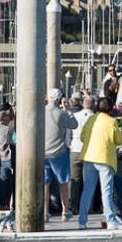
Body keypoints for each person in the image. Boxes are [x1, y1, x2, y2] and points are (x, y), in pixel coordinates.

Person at [77, 97, 122, 230]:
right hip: (105, 159)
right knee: (106, 192)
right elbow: (120, 139)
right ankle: (111, 221)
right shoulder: (111, 122)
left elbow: (82, 137)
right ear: (110, 108)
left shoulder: (91, 119)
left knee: (87, 190)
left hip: (89, 158)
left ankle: (82, 221)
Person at [44, 88, 78, 222]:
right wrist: (68, 110)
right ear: (59, 100)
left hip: (43, 153)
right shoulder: (62, 114)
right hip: (59, 152)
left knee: (45, 183)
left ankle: (45, 213)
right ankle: (65, 211)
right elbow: (74, 125)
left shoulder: (41, 112)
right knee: (63, 182)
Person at [69, 95, 95, 214]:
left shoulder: (75, 115)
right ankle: (88, 207)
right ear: (93, 105)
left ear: (83, 104)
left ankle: (72, 206)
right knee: (88, 181)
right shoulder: (95, 118)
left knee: (74, 180)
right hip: (90, 151)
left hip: (75, 149)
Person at [0, 109, 14, 209]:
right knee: (11, 182)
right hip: (9, 157)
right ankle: (10, 203)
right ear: (4, 118)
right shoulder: (7, 128)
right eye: (8, 115)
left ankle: (2, 203)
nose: (10, 117)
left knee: (3, 181)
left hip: (2, 157)